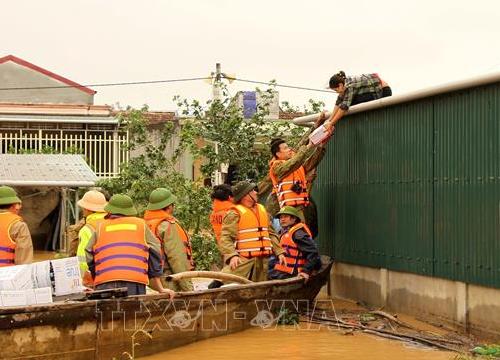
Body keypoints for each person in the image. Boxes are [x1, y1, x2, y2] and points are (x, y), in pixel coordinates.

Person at [85, 194, 174, 298]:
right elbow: (155, 253)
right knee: (132, 313)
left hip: (105, 283)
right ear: (130, 211)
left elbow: (88, 252)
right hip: (134, 282)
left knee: (108, 313)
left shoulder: (101, 227)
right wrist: (160, 288)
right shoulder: (141, 225)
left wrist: (97, 274)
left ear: (109, 211)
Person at [215, 181, 286, 287]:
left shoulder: (262, 210)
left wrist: (279, 252)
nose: (256, 193)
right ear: (245, 195)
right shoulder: (234, 213)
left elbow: (271, 234)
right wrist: (232, 255)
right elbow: (225, 238)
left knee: (260, 290)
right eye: (253, 190)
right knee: (222, 282)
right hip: (244, 261)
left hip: (263, 262)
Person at [143, 188, 194, 292]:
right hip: (168, 280)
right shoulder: (167, 226)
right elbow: (177, 259)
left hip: (150, 281)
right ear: (169, 206)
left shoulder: (144, 224)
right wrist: (189, 290)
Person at [324, 71, 392, 130]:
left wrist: (331, 123)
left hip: (384, 91)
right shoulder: (344, 83)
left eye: (336, 90)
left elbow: (344, 107)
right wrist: (329, 119)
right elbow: (339, 101)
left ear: (340, 85)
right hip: (372, 90)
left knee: (351, 102)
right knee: (349, 101)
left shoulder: (349, 86)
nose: (336, 92)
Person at [269, 206, 321, 280]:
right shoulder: (283, 232)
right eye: (281, 217)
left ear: (294, 219)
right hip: (282, 270)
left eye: (286, 216)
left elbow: (313, 252)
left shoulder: (298, 234)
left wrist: (306, 271)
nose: (282, 219)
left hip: (293, 273)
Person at [75, 190, 107, 286]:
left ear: (88, 209)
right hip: (112, 273)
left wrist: (83, 280)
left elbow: (83, 259)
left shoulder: (87, 229)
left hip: (95, 277)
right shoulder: (111, 223)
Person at [0, 186, 33, 266]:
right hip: (6, 274)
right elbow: (23, 259)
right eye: (18, 204)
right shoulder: (18, 225)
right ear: (15, 206)